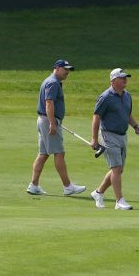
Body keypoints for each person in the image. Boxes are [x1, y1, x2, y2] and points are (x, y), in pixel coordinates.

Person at [27, 59, 87, 196]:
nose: (67, 72)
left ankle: (33, 185)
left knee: (43, 154)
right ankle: (68, 187)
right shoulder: (53, 83)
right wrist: (52, 123)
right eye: (65, 69)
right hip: (48, 121)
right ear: (57, 68)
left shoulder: (52, 81)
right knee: (59, 153)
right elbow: (49, 103)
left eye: (68, 70)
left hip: (44, 120)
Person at [89, 68, 139, 210]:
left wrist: (136, 126)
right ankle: (119, 201)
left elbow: (128, 115)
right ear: (113, 81)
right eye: (122, 78)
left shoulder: (127, 96)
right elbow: (96, 117)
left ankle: (98, 192)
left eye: (126, 77)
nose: (125, 80)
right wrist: (94, 139)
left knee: (118, 170)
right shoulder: (105, 97)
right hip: (108, 135)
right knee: (116, 168)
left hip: (122, 136)